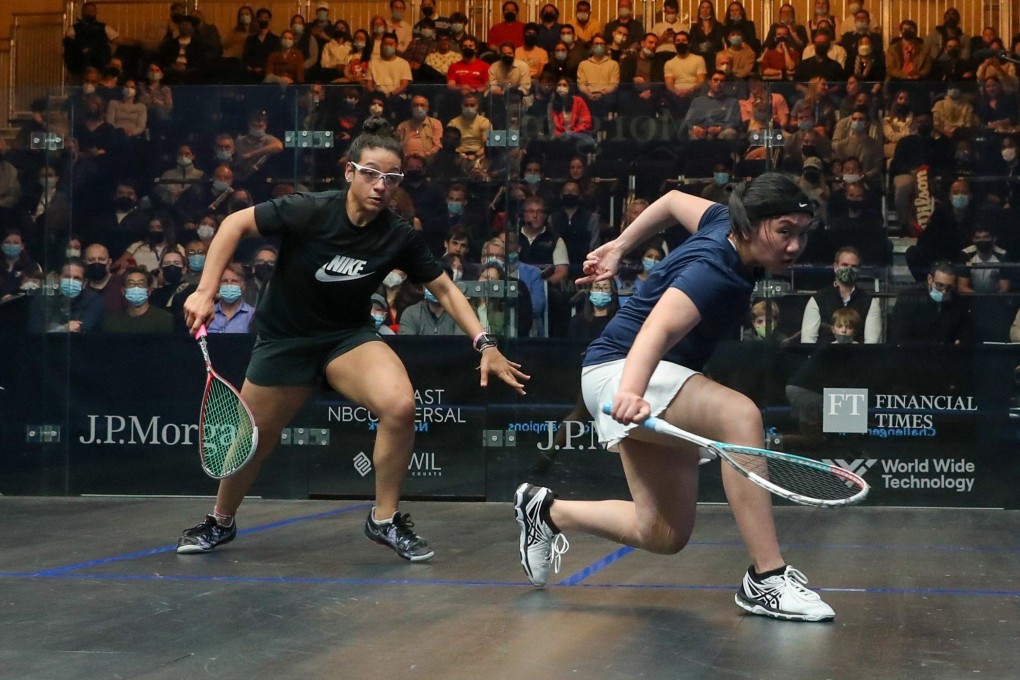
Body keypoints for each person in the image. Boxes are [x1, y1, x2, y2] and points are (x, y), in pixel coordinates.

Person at [175, 122, 528, 560]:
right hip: (286, 339)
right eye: (371, 173)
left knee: (400, 405)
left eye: (392, 177)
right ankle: (220, 520)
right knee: (253, 441)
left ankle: (384, 519)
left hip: (347, 339)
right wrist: (206, 291)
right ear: (349, 172)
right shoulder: (309, 210)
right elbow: (232, 224)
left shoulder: (397, 233)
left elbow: (446, 289)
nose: (382, 185)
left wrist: (485, 343)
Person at [514, 173, 837, 622]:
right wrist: (630, 391)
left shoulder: (723, 218)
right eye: (783, 231)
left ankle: (547, 512)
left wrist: (619, 245)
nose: (794, 246)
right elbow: (658, 328)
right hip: (621, 371)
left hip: (644, 373)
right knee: (740, 415)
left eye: (801, 234)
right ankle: (767, 579)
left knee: (663, 532)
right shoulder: (716, 270)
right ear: (749, 225)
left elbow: (667, 201)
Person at [799, 246, 882, 344]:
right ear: (835, 267)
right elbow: (808, 341)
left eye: (854, 266)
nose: (849, 269)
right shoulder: (818, 299)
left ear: (859, 270)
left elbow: (871, 344)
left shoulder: (869, 302)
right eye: (844, 265)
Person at [889, 261, 971, 345]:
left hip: (947, 354)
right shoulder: (908, 298)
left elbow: (964, 333)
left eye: (949, 287)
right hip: (915, 353)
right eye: (939, 285)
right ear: (929, 279)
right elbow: (899, 336)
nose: (944, 291)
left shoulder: (958, 302)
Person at [101, 266, 174, 333]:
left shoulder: (164, 319)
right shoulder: (111, 322)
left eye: (141, 284)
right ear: (123, 291)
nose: (136, 287)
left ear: (149, 291)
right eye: (131, 284)